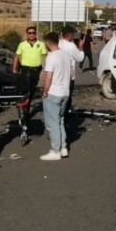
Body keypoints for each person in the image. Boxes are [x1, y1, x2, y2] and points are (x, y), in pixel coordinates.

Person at [40, 32, 73, 161]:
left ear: (47, 43)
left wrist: (44, 91)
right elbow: (70, 74)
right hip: (65, 92)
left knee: (52, 123)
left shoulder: (51, 57)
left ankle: (55, 151)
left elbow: (48, 76)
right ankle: (63, 147)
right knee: (60, 121)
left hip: (53, 92)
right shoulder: (66, 55)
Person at [12, 26, 48, 113]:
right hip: (25, 69)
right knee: (25, 88)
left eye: (33, 33)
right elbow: (16, 56)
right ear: (27, 34)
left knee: (32, 89)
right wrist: (14, 69)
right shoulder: (22, 44)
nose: (31, 34)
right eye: (29, 33)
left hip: (36, 70)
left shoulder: (41, 44)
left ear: (36, 33)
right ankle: (24, 107)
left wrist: (48, 70)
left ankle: (27, 105)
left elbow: (45, 56)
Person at [58, 26, 85, 113]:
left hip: (58, 74)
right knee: (67, 97)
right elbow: (80, 58)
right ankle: (65, 116)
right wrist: (81, 47)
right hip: (69, 76)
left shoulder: (58, 43)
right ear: (70, 35)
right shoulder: (71, 46)